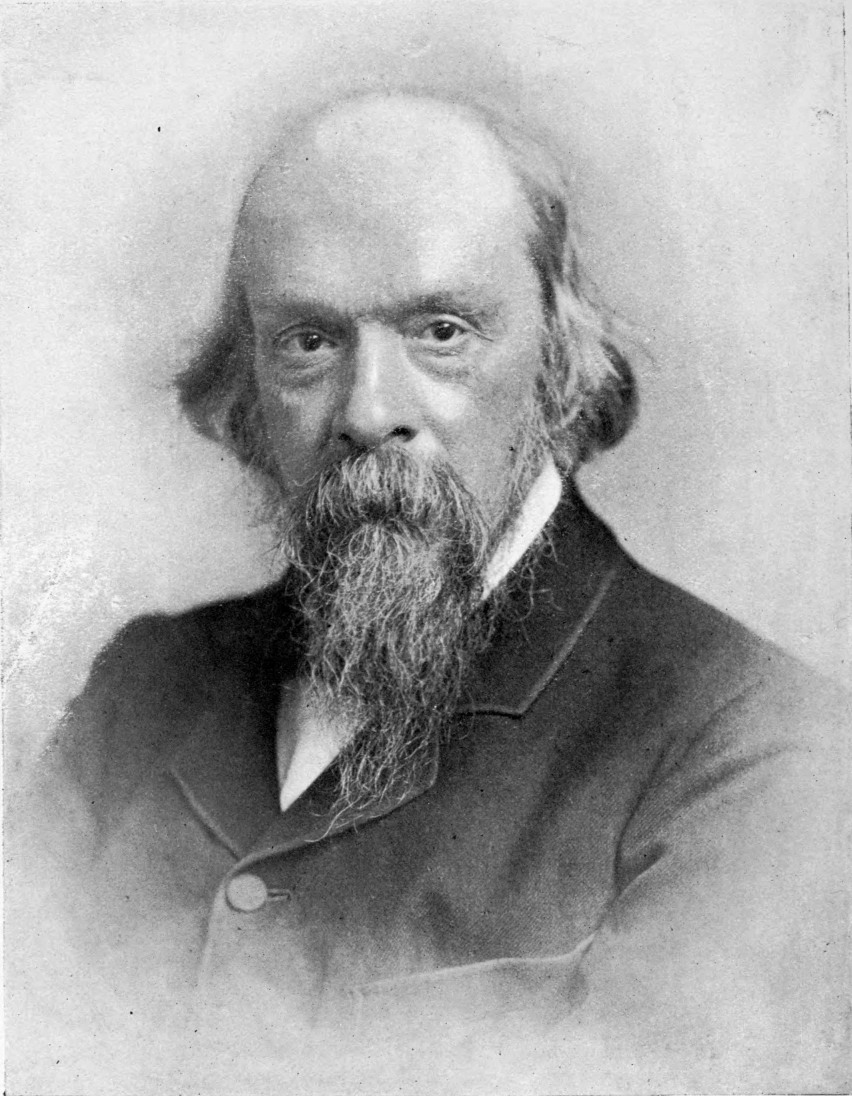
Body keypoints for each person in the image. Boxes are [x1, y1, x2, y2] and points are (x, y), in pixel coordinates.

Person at [8, 90, 847, 1095]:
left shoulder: (759, 752)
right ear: (248, 383)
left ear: (559, 364)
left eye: (441, 331)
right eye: (308, 342)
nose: (368, 412)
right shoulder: (140, 689)